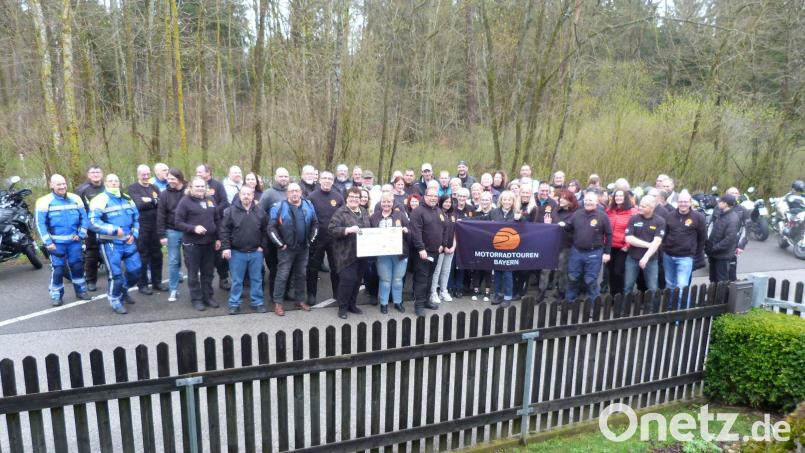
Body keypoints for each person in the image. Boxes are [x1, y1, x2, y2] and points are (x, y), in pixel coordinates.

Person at [35, 174, 92, 306]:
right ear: (51, 185)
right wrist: (48, 242)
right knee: (58, 269)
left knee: (77, 266)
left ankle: (81, 290)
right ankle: (56, 295)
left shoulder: (75, 198)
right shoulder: (44, 201)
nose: (62, 186)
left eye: (64, 184)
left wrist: (82, 234)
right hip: (56, 244)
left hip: (74, 242)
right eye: (58, 184)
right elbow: (40, 224)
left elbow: (84, 218)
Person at [89, 174, 141, 314]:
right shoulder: (99, 200)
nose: (114, 183)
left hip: (128, 240)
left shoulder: (127, 198)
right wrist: (112, 230)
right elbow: (93, 222)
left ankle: (123, 290)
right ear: (105, 183)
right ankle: (115, 299)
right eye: (110, 181)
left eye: (116, 180)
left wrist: (134, 234)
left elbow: (136, 218)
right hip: (110, 243)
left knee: (136, 270)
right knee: (116, 274)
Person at [268, 183, 318, 316]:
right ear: (287, 193)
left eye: (297, 191)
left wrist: (310, 240)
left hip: (303, 248)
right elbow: (271, 228)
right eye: (291, 191)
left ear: (301, 192)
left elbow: (315, 224)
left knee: (301, 275)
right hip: (286, 249)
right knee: (282, 276)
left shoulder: (308, 205)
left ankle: (299, 300)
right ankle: (278, 303)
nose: (294, 193)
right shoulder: (279, 207)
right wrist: (280, 244)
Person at [175, 176, 222, 311]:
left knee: (208, 273)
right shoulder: (185, 202)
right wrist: (193, 228)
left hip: (209, 243)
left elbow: (217, 219)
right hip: (192, 245)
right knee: (193, 274)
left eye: (202, 186)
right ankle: (196, 299)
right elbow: (178, 222)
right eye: (197, 186)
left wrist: (218, 238)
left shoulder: (210, 200)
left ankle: (208, 296)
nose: (200, 188)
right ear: (191, 188)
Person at [220, 185, 267, 314]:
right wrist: (226, 248)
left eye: (249, 194)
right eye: (243, 194)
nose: (246, 196)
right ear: (239, 196)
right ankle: (234, 303)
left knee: (256, 279)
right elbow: (224, 231)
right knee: (236, 280)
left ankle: (257, 302)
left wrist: (262, 246)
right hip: (236, 253)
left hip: (255, 253)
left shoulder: (260, 212)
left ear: (253, 196)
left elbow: (265, 231)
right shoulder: (230, 212)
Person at [559, 191, 613, 302]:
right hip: (577, 251)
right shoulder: (577, 214)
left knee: (591, 280)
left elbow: (609, 234)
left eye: (591, 200)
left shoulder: (603, 216)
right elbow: (569, 227)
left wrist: (607, 253)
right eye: (586, 200)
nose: (588, 202)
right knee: (572, 278)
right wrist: (563, 225)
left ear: (597, 202)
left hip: (594, 252)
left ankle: (593, 305)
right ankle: (569, 302)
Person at [330, 187, 372, 319]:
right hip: (346, 254)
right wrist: (347, 230)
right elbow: (332, 229)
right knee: (347, 280)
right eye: (351, 197)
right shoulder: (340, 212)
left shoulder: (364, 211)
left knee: (357, 281)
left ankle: (352, 304)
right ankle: (342, 307)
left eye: (357, 197)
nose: (354, 199)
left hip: (362, 253)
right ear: (346, 198)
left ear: (360, 200)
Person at [128, 164, 167, 295]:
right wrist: (153, 201)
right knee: (143, 256)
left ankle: (157, 282)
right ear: (138, 174)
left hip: (155, 226)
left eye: (147, 174)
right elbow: (139, 204)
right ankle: (142, 284)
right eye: (142, 174)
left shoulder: (154, 187)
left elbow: (161, 203)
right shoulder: (133, 188)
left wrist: (149, 200)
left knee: (157, 255)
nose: (145, 176)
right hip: (142, 227)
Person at [306, 171, 344, 305]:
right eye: (324, 178)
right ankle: (311, 294)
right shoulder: (312, 197)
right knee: (313, 268)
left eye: (329, 178)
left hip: (334, 239)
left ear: (333, 181)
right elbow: (308, 218)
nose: (327, 181)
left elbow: (343, 216)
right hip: (317, 239)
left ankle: (337, 293)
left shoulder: (338, 197)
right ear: (320, 180)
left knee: (335, 267)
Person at [370, 192, 410, 314]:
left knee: (398, 279)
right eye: (384, 202)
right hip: (382, 254)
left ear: (392, 203)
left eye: (389, 202)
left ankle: (398, 302)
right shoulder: (374, 217)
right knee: (385, 280)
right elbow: (369, 235)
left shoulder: (400, 215)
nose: (386, 204)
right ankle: (384, 303)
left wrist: (406, 230)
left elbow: (410, 231)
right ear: (380, 203)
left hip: (400, 254)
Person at [409, 186, 444, 316]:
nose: (434, 198)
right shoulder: (418, 211)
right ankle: (418, 305)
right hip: (422, 253)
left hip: (435, 251)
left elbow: (443, 228)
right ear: (425, 196)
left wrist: (442, 244)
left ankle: (426, 301)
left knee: (430, 278)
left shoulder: (439, 211)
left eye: (436, 196)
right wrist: (421, 248)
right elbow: (415, 232)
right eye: (431, 196)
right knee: (421, 279)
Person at [663, 191, 706, 294]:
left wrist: (695, 253)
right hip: (668, 256)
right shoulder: (669, 216)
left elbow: (702, 238)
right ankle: (670, 308)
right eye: (681, 201)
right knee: (669, 284)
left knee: (681, 286)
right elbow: (665, 234)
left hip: (685, 257)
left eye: (685, 201)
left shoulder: (698, 217)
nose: (683, 204)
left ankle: (681, 309)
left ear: (690, 202)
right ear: (677, 202)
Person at [196, 164, 231, 289]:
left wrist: (213, 210)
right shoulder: (195, 188)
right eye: (197, 172)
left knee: (220, 255)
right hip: (200, 227)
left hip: (217, 223)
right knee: (204, 257)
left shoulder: (217, 185)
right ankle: (205, 284)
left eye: (200, 172)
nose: (198, 174)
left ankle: (223, 278)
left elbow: (225, 202)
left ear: (208, 172)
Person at [258, 167, 290, 297]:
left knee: (288, 267)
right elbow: (259, 213)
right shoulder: (268, 194)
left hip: (289, 237)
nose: (283, 179)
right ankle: (274, 294)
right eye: (281, 176)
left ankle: (285, 292)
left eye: (286, 176)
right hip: (273, 238)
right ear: (276, 177)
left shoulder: (291, 191)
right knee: (275, 268)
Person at [624, 195, 665, 293]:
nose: (640, 208)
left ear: (651, 208)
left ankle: (651, 308)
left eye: (643, 206)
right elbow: (629, 238)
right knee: (628, 286)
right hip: (632, 258)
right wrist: (649, 245)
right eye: (640, 205)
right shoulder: (633, 218)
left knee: (652, 287)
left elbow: (657, 241)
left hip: (651, 260)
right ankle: (625, 307)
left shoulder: (660, 221)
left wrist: (645, 257)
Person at [157, 168, 187, 302]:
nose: (170, 181)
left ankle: (195, 288)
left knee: (190, 260)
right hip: (172, 230)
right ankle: (173, 289)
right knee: (173, 260)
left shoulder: (188, 191)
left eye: (172, 179)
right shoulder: (164, 194)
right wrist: (161, 235)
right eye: (168, 179)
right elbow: (161, 215)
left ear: (179, 178)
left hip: (188, 230)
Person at [489, 190, 522, 306]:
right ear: (501, 201)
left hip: (511, 249)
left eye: (509, 199)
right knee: (497, 272)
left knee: (508, 274)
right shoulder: (493, 212)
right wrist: (464, 221)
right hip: (497, 248)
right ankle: (497, 295)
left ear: (513, 201)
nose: (507, 202)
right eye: (504, 199)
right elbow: (482, 220)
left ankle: (507, 297)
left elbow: (526, 227)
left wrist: (520, 220)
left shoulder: (517, 213)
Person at [76, 165, 105, 292]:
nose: (95, 174)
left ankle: (115, 278)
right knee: (92, 253)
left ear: (102, 174)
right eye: (93, 172)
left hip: (107, 226)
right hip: (90, 227)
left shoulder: (108, 187)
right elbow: (78, 209)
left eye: (98, 172)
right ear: (88, 175)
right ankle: (91, 281)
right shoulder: (81, 189)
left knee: (113, 251)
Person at [605, 189, 636, 296]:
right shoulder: (609, 211)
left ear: (626, 198)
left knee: (618, 272)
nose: (618, 198)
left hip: (622, 247)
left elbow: (634, 231)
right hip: (609, 246)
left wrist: (627, 245)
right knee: (611, 272)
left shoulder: (632, 212)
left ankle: (620, 296)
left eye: (621, 196)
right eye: (616, 196)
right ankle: (613, 296)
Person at [706, 194, 741, 283]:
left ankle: (721, 297)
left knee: (721, 281)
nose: (718, 202)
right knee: (713, 279)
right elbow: (715, 232)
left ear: (725, 204)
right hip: (714, 253)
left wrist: (714, 248)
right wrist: (708, 246)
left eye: (720, 201)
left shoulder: (733, 218)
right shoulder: (720, 214)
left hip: (723, 256)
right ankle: (712, 295)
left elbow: (729, 239)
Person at [430, 195, 456, 304]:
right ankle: (433, 292)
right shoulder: (437, 213)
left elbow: (455, 231)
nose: (447, 204)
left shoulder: (453, 214)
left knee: (446, 271)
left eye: (449, 202)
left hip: (451, 248)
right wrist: (444, 246)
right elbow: (437, 231)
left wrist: (453, 246)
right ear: (441, 202)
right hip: (440, 248)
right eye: (445, 201)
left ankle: (443, 291)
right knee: (437, 271)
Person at [554, 190, 579, 299]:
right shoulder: (556, 211)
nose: (561, 199)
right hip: (553, 244)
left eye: (564, 198)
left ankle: (562, 292)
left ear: (570, 201)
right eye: (560, 197)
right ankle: (556, 289)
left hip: (566, 245)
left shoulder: (575, 214)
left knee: (562, 270)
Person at [470, 191, 494, 301]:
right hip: (478, 243)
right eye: (483, 200)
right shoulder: (476, 212)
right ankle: (475, 290)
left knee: (488, 269)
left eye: (487, 200)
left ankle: (487, 292)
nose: (485, 202)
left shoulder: (495, 213)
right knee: (477, 268)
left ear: (491, 201)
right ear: (480, 201)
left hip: (491, 245)